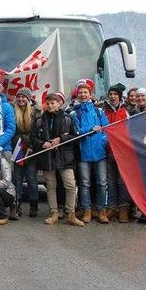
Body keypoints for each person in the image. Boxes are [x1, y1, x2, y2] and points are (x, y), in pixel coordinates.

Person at [31, 92, 84, 226]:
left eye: (52, 103)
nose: (49, 106)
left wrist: (61, 139)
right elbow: (33, 138)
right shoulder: (39, 120)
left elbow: (75, 137)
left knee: (70, 185)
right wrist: (42, 143)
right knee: (51, 186)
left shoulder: (68, 118)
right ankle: (53, 212)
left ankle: (70, 213)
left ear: (59, 104)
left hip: (65, 157)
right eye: (47, 103)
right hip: (47, 156)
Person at [72, 79, 109, 224]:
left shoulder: (99, 111)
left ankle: (101, 210)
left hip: (100, 152)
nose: (82, 95)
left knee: (102, 183)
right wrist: (89, 130)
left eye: (85, 92)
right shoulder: (75, 113)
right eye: (80, 93)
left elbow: (107, 129)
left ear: (90, 94)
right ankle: (86, 210)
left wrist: (102, 141)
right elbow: (76, 131)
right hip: (84, 153)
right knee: (84, 183)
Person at [9, 88, 40, 219]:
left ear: (28, 98)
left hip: (31, 149)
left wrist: (32, 145)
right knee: (17, 179)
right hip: (17, 148)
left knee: (32, 179)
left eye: (23, 97)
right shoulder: (12, 110)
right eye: (19, 97)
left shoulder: (35, 112)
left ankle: (34, 206)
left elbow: (38, 130)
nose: (21, 99)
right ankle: (16, 205)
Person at [102, 83, 131, 222]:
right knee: (111, 181)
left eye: (115, 94)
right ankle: (112, 207)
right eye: (111, 94)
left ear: (119, 96)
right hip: (108, 150)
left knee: (122, 181)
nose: (113, 96)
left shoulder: (126, 111)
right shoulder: (104, 111)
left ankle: (123, 208)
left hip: (123, 151)